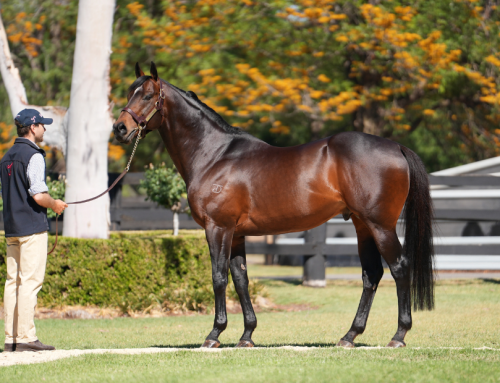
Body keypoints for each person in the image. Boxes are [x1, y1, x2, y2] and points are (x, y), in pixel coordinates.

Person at [0, 109, 68, 352]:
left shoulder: (7, 156)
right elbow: (38, 195)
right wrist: (55, 204)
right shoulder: (34, 155)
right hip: (31, 229)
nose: (44, 129)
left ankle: (11, 339)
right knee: (30, 283)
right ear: (32, 127)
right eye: (41, 125)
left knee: (12, 283)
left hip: (11, 229)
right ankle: (27, 337)